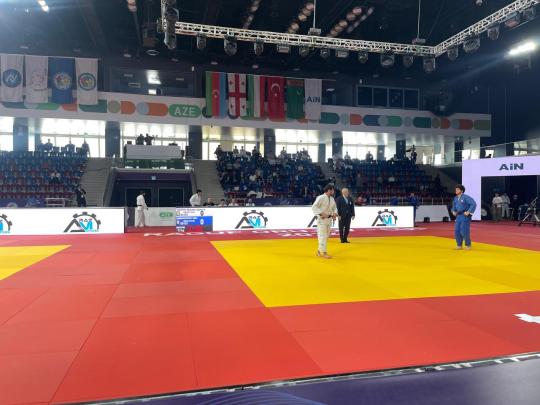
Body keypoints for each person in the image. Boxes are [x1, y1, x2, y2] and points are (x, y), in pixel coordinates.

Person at [312, 184, 338, 259]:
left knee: (326, 236)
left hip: (329, 220)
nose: (333, 191)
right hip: (322, 220)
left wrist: (335, 213)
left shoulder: (332, 199)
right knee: (322, 236)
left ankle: (319, 251)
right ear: (329, 190)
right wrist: (321, 213)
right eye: (332, 190)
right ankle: (324, 253)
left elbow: (334, 208)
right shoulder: (321, 197)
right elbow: (314, 206)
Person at [451, 184, 477, 250]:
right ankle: (459, 245)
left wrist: (468, 211)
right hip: (458, 216)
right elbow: (453, 206)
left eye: (457, 189)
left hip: (465, 216)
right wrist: (453, 211)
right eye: (456, 189)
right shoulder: (455, 198)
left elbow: (473, 204)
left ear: (462, 191)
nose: (456, 191)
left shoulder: (466, 197)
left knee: (464, 230)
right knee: (457, 231)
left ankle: (468, 245)